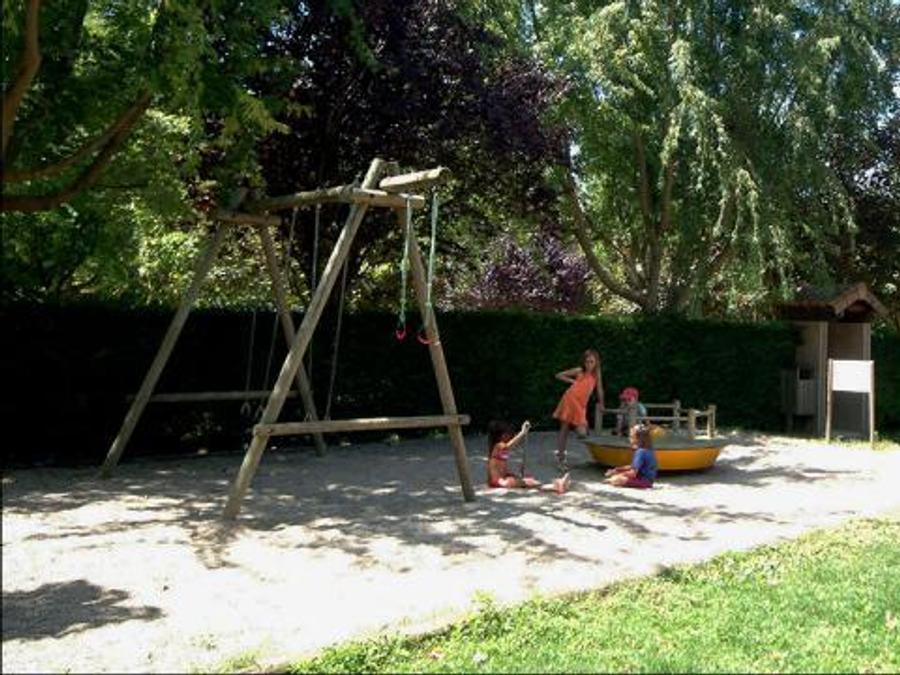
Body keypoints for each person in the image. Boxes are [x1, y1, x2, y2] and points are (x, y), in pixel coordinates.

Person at [552, 349, 604, 474]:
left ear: (596, 362)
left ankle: (566, 454)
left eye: (592, 362)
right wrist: (572, 381)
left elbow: (600, 389)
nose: (589, 364)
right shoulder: (579, 370)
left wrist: (602, 404)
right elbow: (559, 375)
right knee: (564, 429)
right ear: (584, 362)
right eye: (587, 361)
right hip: (570, 399)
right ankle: (561, 459)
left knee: (582, 432)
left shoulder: (596, 375)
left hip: (581, 405)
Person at [487, 420, 570, 494]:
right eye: (507, 434)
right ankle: (555, 486)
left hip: (502, 479)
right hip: (500, 482)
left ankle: (554, 486)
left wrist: (512, 474)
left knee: (529, 481)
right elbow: (509, 446)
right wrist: (522, 432)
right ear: (501, 435)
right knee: (526, 482)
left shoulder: (499, 450)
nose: (509, 436)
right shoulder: (498, 446)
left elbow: (501, 468)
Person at [605, 424, 658, 489]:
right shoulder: (648, 449)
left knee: (616, 479)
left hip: (644, 482)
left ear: (638, 439)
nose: (629, 439)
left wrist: (618, 475)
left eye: (631, 437)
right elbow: (633, 466)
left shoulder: (641, 452)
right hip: (647, 480)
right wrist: (616, 470)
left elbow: (633, 473)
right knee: (616, 477)